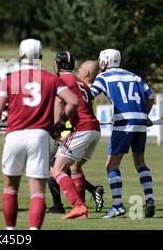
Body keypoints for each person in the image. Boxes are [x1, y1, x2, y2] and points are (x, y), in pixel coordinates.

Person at [0, 38, 78, 230]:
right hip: (39, 137)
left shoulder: (10, 79)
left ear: (20, 56)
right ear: (41, 57)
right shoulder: (52, 79)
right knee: (37, 192)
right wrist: (59, 124)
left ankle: (10, 233)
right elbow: (73, 102)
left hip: (14, 136)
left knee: (11, 188)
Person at [90, 49, 155, 218]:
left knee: (112, 165)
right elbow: (150, 97)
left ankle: (117, 205)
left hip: (124, 124)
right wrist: (144, 115)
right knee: (140, 162)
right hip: (140, 122)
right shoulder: (134, 76)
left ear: (105, 62)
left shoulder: (103, 77)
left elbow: (89, 95)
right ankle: (149, 200)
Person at [48, 59, 105, 214]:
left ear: (58, 65)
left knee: (57, 170)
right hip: (94, 129)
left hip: (80, 129)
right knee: (75, 167)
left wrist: (56, 127)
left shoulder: (62, 80)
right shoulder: (81, 84)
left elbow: (59, 104)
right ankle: (82, 209)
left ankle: (77, 206)